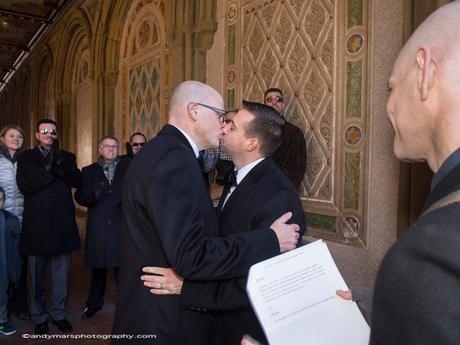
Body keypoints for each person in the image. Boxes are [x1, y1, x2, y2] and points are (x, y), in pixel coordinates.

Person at [112, 81, 300, 345]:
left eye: (230, 123)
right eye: (221, 116)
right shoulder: (175, 160)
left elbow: (273, 279)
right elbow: (191, 255)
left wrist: (190, 289)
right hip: (162, 322)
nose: (223, 125)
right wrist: (269, 239)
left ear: (252, 143)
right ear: (194, 111)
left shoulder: (165, 153)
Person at [370, 3, 460, 344]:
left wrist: (407, 292)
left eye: (391, 87)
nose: (389, 106)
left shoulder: (430, 255)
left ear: (424, 72)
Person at [16, 118, 81, 335]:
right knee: (36, 275)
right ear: (36, 135)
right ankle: (39, 317)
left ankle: (59, 314)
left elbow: (77, 181)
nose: (48, 134)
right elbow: (26, 186)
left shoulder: (67, 156)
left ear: (55, 134)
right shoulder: (26, 158)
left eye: (52, 131)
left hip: (62, 223)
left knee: (61, 274)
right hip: (37, 225)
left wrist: (59, 166)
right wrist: (48, 168)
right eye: (44, 131)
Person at [75, 136, 130, 319]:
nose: (111, 150)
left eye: (114, 146)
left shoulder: (127, 167)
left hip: (120, 223)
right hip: (98, 226)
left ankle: (126, 304)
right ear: (100, 149)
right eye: (107, 146)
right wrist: (93, 194)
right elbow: (80, 198)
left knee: (122, 268)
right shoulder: (89, 171)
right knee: (98, 268)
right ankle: (93, 304)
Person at [0, 125, 29, 321]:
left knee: (21, 262)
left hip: (24, 217)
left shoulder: (27, 159)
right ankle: (4, 303)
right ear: (2, 137)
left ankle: (20, 304)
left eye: (20, 136)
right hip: (3, 217)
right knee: (4, 262)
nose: (16, 139)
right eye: (11, 136)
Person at [264, 88, 307, 189]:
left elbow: (297, 169)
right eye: (269, 100)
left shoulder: (294, 133)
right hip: (256, 192)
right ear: (264, 106)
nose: (274, 102)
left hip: (281, 192)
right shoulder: (256, 131)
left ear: (283, 105)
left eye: (278, 99)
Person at [0, 187, 21, 336]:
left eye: (0, 199)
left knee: (2, 289)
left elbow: (14, 249)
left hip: (3, 264)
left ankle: (1, 321)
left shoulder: (9, 220)